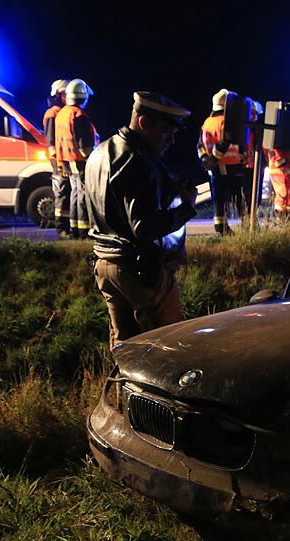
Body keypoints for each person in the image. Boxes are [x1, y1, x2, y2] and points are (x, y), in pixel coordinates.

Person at [86, 91, 195, 349]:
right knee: (166, 348)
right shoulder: (138, 160)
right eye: (167, 132)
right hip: (139, 271)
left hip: (105, 265)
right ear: (144, 122)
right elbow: (145, 228)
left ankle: (120, 390)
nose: (171, 141)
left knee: (125, 349)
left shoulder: (100, 151)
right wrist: (186, 208)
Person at [55, 79, 99, 237]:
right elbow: (85, 146)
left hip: (66, 160)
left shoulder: (62, 113)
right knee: (83, 194)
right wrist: (94, 159)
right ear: (83, 98)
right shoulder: (79, 115)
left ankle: (74, 228)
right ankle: (83, 231)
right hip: (79, 160)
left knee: (75, 193)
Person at [198, 89, 244, 234]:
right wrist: (215, 157)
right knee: (239, 198)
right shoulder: (226, 122)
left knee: (219, 199)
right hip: (231, 166)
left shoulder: (207, 122)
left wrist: (205, 158)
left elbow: (199, 145)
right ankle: (248, 225)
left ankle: (220, 228)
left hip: (214, 169)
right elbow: (226, 141)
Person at [42, 79, 70, 236]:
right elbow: (51, 143)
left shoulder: (62, 112)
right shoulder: (53, 113)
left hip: (65, 159)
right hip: (59, 161)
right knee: (62, 192)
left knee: (67, 193)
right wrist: (59, 165)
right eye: (66, 93)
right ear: (59, 95)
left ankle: (66, 227)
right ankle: (61, 228)